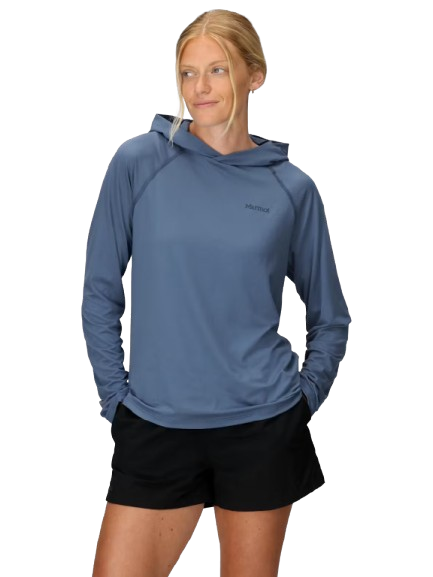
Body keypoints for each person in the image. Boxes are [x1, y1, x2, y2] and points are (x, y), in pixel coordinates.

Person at [81, 9, 351, 577]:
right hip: (154, 426)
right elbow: (101, 291)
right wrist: (115, 400)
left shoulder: (291, 188)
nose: (199, 88)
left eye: (218, 70)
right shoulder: (140, 162)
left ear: (255, 75)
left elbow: (330, 316)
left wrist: (303, 401)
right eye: (187, 73)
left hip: (261, 428)